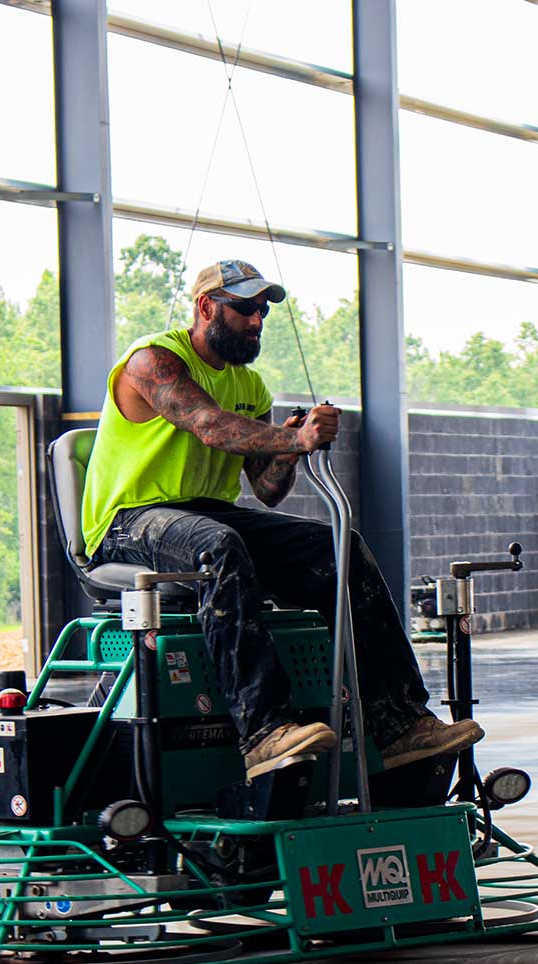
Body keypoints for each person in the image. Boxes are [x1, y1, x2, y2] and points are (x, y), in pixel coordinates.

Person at [80, 259, 483, 780]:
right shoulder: (153, 360)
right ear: (206, 307)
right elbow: (210, 427)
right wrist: (295, 438)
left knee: (340, 547)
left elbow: (267, 491)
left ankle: (400, 722)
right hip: (128, 523)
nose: (256, 322)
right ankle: (264, 731)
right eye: (245, 309)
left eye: (263, 312)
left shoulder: (250, 385)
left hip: (207, 518)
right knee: (219, 544)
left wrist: (289, 450)